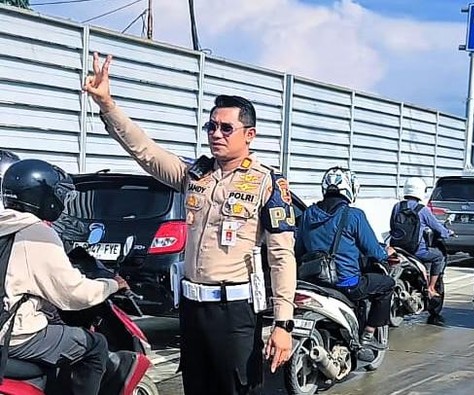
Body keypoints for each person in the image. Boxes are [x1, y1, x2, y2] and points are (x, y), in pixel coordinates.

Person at [84, 52, 296, 394]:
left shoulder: (266, 183)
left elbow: (282, 257)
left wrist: (283, 323)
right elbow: (146, 152)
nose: (217, 134)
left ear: (250, 135)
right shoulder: (195, 174)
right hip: (193, 309)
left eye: (227, 128)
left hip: (235, 312)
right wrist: (108, 104)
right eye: (211, 126)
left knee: (238, 389)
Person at [0, 159, 129, 394]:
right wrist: (111, 285)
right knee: (96, 346)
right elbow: (73, 294)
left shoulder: (5, 226)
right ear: (46, 197)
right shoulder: (36, 232)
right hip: (14, 336)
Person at [297, 167, 395, 351]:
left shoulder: (308, 214)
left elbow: (298, 249)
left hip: (311, 281)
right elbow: (374, 251)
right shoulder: (354, 215)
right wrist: (386, 253)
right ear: (350, 188)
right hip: (345, 283)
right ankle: (368, 333)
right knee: (387, 284)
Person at [389, 177, 453, 326]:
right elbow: (438, 229)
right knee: (438, 257)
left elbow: (392, 225)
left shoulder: (397, 207)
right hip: (417, 251)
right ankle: (431, 288)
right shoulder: (422, 210)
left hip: (398, 249)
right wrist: (448, 232)